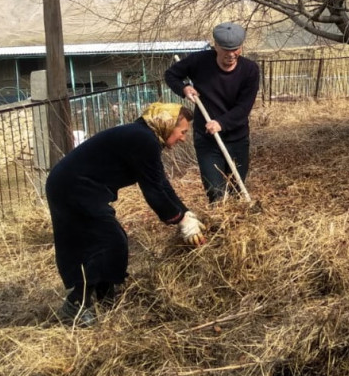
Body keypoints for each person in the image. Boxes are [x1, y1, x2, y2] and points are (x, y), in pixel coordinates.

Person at [46, 103, 207, 327]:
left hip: (76, 186)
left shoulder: (144, 137)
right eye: (182, 132)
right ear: (167, 125)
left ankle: (105, 299)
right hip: (74, 188)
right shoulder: (143, 139)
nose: (182, 138)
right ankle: (76, 305)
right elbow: (153, 190)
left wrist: (185, 212)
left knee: (107, 240)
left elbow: (160, 183)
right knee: (109, 241)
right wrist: (180, 220)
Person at [165, 22, 260, 203]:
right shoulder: (199, 62)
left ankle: (238, 225)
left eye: (236, 49)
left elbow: (243, 107)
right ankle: (220, 224)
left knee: (237, 189)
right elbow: (171, 75)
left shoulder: (250, 70)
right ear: (215, 45)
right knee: (215, 192)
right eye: (226, 49)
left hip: (237, 138)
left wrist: (221, 123)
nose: (231, 54)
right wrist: (184, 88)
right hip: (207, 139)